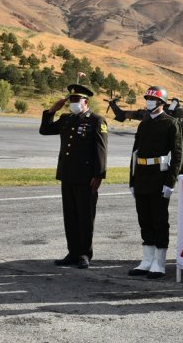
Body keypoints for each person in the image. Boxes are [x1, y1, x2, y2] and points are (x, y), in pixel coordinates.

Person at [39, 84, 107, 270]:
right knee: (70, 216)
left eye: (77, 100)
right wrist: (52, 110)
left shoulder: (96, 120)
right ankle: (73, 252)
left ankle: (85, 253)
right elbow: (45, 130)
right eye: (71, 100)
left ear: (86, 101)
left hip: (86, 177)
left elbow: (101, 150)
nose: (73, 103)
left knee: (85, 216)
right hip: (67, 174)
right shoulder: (66, 119)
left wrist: (99, 175)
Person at [128, 86, 183, 279]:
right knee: (144, 219)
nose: (149, 101)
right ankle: (146, 260)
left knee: (159, 220)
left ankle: (159, 262)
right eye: (148, 98)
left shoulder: (171, 123)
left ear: (161, 102)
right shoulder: (143, 124)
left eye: (153, 98)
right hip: (142, 176)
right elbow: (135, 154)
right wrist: (132, 180)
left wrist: (170, 182)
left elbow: (177, 155)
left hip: (160, 178)